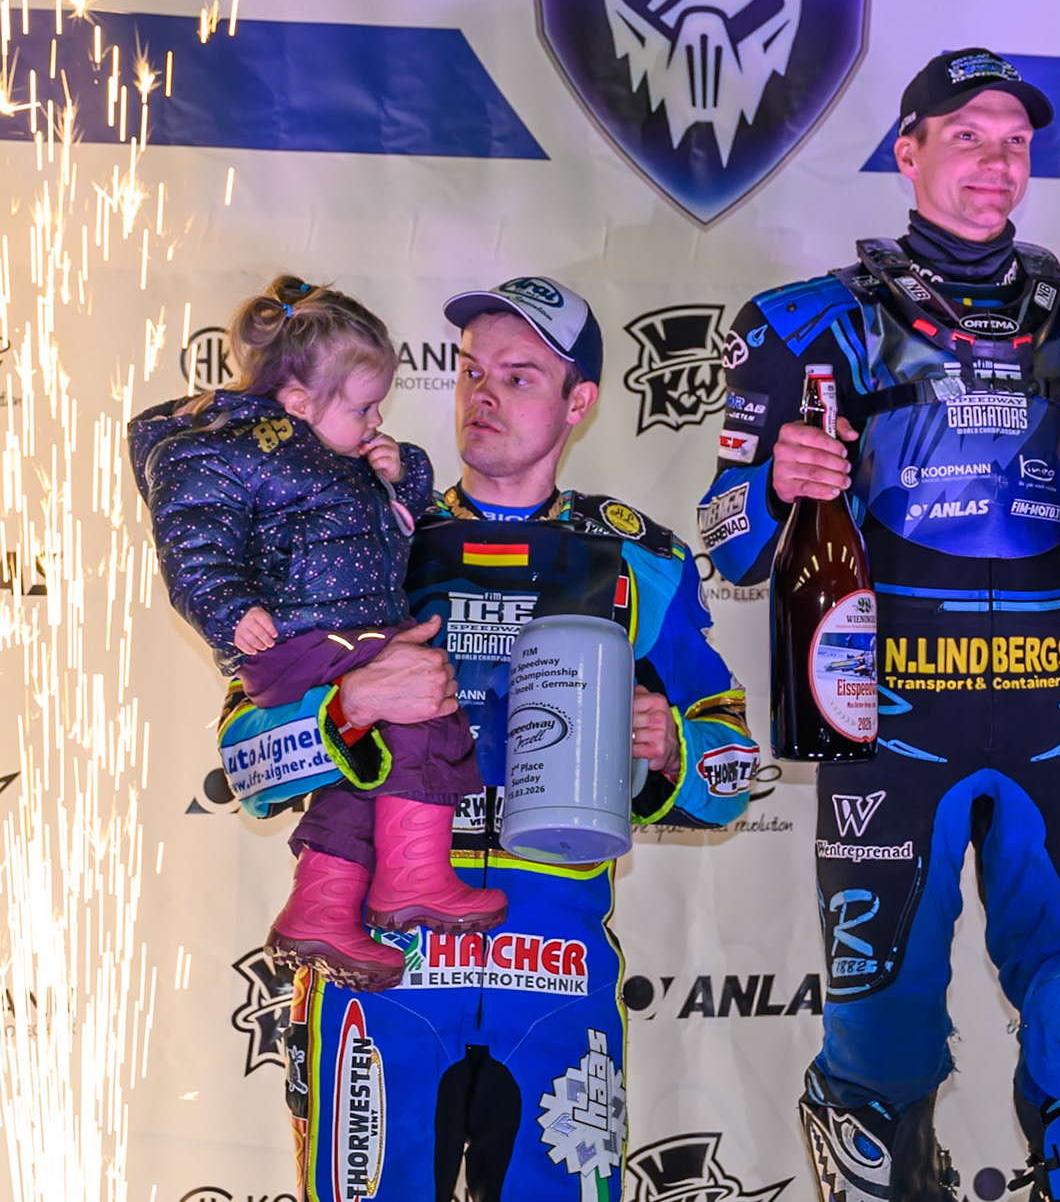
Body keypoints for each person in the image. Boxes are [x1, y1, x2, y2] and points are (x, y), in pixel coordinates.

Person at [699, 48, 1060, 1202]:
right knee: (884, 1051)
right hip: (892, 731)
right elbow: (728, 541)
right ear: (907, 154)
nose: (996, 161)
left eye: (1015, 140)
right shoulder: (804, 322)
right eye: (968, 136)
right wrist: (780, 486)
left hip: (1058, 722)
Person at [219, 276, 757, 1201]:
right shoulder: (362, 526)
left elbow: (734, 769)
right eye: (472, 373)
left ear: (578, 403)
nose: (483, 396)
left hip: (553, 974)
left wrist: (671, 748)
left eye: (518, 376)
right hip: (382, 972)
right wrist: (347, 707)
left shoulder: (636, 559)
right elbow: (246, 760)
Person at [130, 275, 505, 993]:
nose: (375, 423)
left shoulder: (337, 456)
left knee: (367, 771)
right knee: (424, 704)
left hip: (337, 632)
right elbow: (194, 538)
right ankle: (411, 878)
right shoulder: (236, 450)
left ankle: (322, 908)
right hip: (298, 640)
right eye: (365, 409)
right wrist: (228, 607)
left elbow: (385, 520)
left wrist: (401, 474)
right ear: (300, 403)